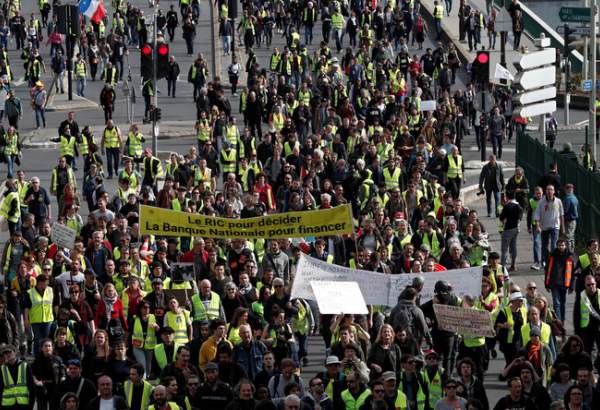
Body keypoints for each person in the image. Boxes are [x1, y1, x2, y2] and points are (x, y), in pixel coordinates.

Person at [534, 185, 564, 266]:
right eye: (548, 189)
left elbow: (561, 215)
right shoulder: (541, 202)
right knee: (544, 246)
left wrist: (562, 228)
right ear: (545, 191)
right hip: (544, 227)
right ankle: (546, 261)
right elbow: (537, 214)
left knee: (554, 245)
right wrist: (537, 226)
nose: (549, 191)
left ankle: (554, 261)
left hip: (555, 226)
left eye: (551, 189)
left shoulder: (558, 201)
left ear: (554, 191)